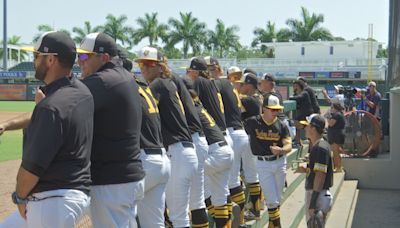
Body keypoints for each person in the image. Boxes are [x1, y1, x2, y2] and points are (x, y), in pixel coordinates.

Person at [0, 31, 94, 228]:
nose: (33, 61)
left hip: (52, 201)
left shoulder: (51, 106)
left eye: (36, 56)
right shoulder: (82, 92)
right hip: (74, 194)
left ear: (50, 59)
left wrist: (19, 197)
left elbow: (31, 169)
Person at [77, 32, 145, 228]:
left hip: (112, 181)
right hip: (126, 175)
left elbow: (64, 101)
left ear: (104, 57)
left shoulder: (104, 80)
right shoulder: (123, 76)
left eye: (84, 56)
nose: (79, 61)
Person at [135, 46, 199, 228]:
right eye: (141, 63)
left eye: (149, 64)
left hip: (177, 152)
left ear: (161, 66)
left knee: (178, 217)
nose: (144, 68)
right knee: (178, 215)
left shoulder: (158, 84)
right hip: (182, 152)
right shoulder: (167, 83)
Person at [206, 57, 261, 226]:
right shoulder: (231, 87)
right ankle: (253, 212)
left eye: (210, 69)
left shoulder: (216, 84)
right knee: (249, 175)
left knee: (231, 181)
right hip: (241, 133)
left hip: (229, 133)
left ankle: (239, 219)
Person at [188, 88, 234, 228]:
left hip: (215, 154)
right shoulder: (200, 107)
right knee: (219, 197)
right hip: (225, 151)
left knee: (194, 189)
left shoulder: (191, 111)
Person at [244, 94, 292, 228]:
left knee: (277, 201)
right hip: (263, 164)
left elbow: (289, 145)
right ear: (263, 108)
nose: (276, 112)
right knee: (271, 201)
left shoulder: (281, 125)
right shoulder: (253, 122)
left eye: (277, 109)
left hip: (280, 162)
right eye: (272, 109)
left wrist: (281, 150)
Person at [134, 75, 171, 228]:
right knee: (154, 223)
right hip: (161, 159)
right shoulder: (146, 89)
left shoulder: (125, 87)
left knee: (118, 212)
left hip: (144, 161)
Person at [297, 114, 333, 227]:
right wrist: (307, 169)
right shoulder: (319, 145)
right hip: (320, 194)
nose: (305, 128)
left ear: (313, 128)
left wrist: (312, 203)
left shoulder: (320, 148)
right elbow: (318, 171)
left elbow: (320, 176)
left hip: (318, 195)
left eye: (307, 126)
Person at [289, 79, 313, 146]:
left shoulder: (304, 92)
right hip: (301, 115)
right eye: (293, 86)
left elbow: (298, 98)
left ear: (300, 86)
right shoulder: (296, 94)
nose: (294, 88)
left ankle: (311, 148)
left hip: (307, 115)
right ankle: (298, 142)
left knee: (309, 132)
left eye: (296, 86)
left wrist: (291, 97)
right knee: (297, 125)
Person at [327, 103, 346, 172]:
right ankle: (339, 166)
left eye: (332, 108)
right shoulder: (338, 114)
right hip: (337, 135)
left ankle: (338, 167)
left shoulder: (337, 115)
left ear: (335, 108)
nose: (331, 109)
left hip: (336, 136)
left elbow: (331, 124)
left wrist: (328, 117)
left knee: (335, 152)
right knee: (337, 151)